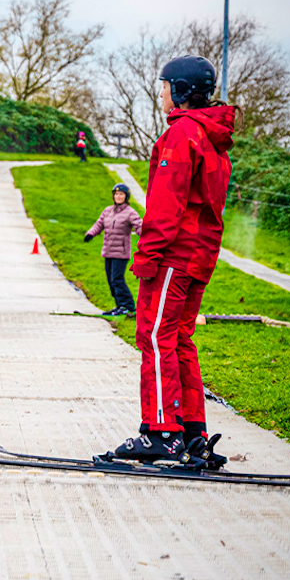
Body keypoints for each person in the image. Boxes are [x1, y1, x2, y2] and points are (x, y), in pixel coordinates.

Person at [110, 55, 236, 466]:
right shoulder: (213, 139)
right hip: (199, 255)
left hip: (174, 255)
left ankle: (162, 433)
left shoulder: (183, 133)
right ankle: (192, 433)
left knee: (155, 336)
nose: (161, 94)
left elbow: (167, 204)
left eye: (164, 87)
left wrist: (147, 255)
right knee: (179, 338)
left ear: (180, 90)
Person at [84, 183, 142, 316]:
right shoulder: (108, 211)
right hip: (108, 251)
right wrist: (91, 233)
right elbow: (99, 224)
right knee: (111, 281)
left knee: (117, 279)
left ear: (126, 197)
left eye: (121, 194)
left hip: (121, 253)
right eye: (116, 194)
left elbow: (139, 226)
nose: (118, 196)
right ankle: (119, 305)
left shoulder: (130, 212)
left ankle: (128, 306)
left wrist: (146, 235)